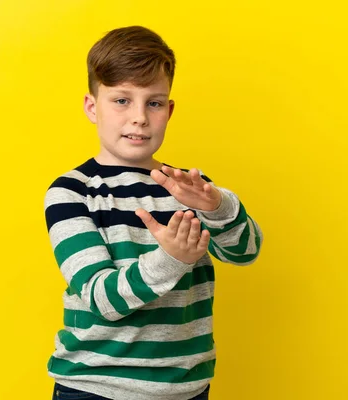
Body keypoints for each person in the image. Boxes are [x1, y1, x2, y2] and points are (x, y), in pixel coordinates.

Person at [44, 25, 263, 400]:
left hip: (186, 388)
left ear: (169, 110)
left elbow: (245, 253)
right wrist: (172, 259)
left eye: (154, 102)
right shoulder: (71, 192)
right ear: (92, 107)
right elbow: (101, 298)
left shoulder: (188, 187)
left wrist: (218, 207)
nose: (140, 117)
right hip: (96, 387)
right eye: (122, 100)